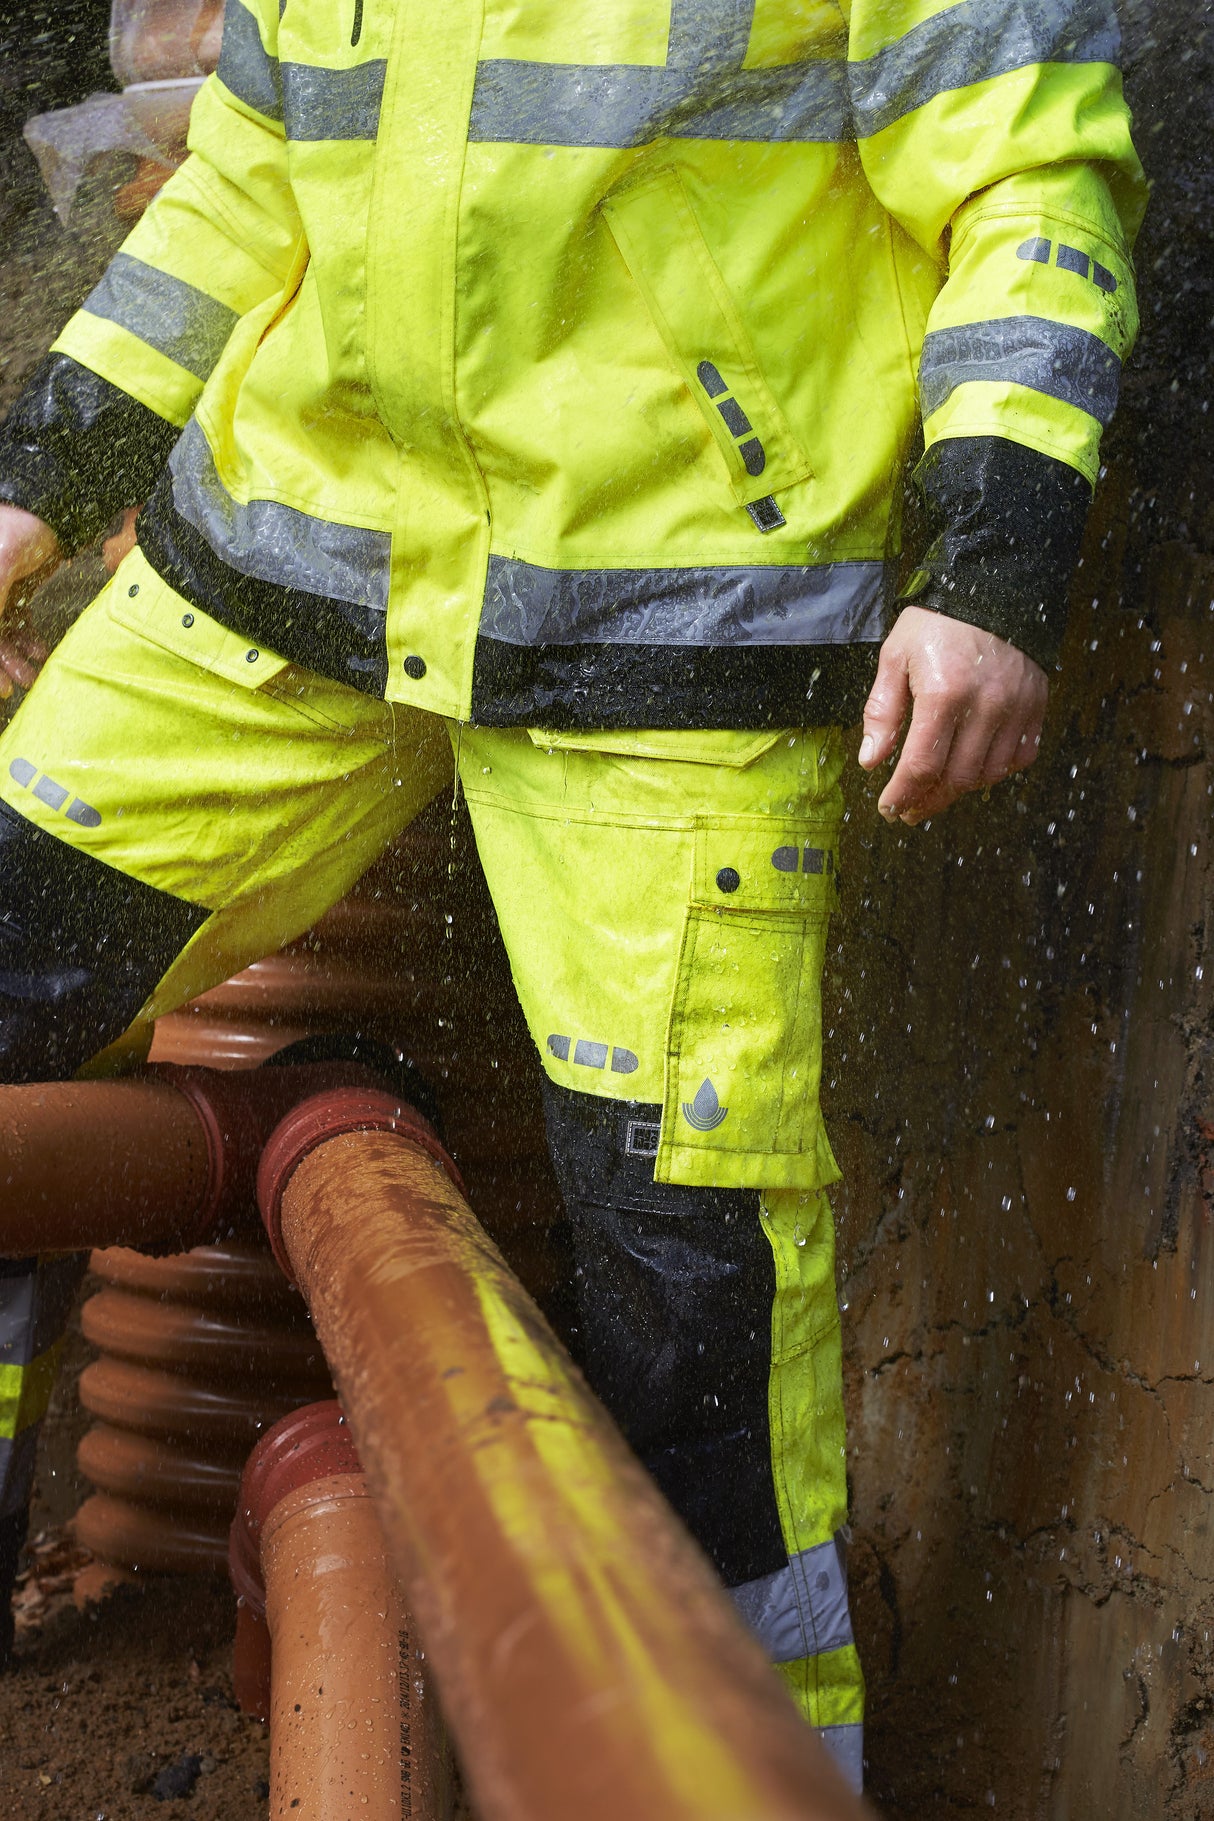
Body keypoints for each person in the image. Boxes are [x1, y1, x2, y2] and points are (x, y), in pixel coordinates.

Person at [0, 0, 1143, 1787]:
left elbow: (1029, 179)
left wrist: (993, 562)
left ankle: (750, 1775)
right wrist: (32, 492)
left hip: (675, 633)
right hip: (283, 575)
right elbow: (244, 180)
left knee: (690, 1281)